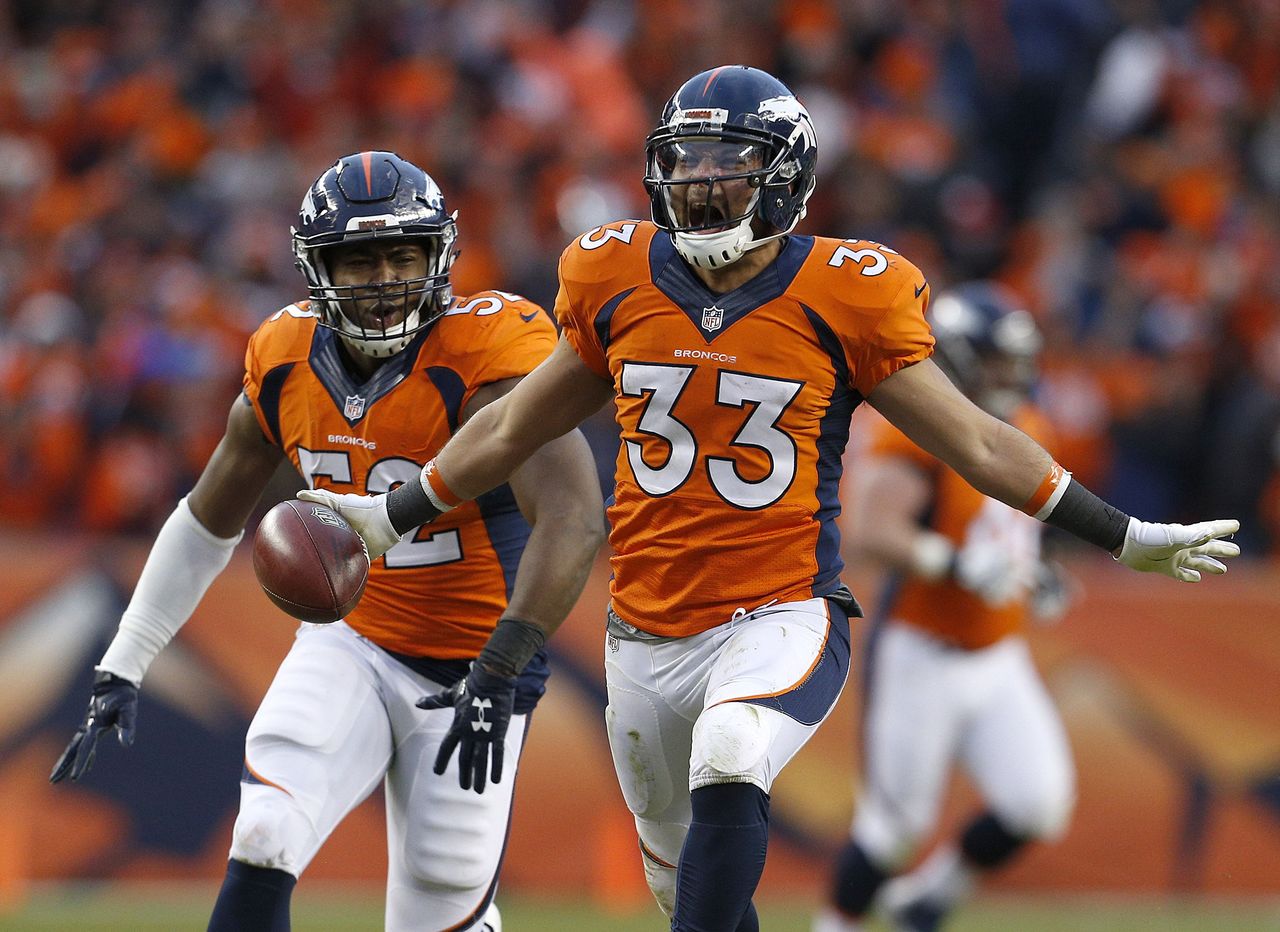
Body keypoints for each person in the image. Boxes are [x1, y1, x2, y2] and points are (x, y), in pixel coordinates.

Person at [300, 67, 1239, 932]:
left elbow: (979, 441)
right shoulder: (615, 274)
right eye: (686, 166)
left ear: (785, 179)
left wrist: (1123, 535)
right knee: (683, 890)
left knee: (734, 748)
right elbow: (513, 430)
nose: (702, 188)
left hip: (780, 610)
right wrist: (396, 515)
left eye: (729, 169)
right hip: (643, 629)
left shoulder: (848, 292)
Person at [50, 151, 605, 932]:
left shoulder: (488, 352)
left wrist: (505, 665)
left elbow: (575, 517)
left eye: (401, 255)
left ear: (438, 257)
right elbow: (210, 516)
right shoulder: (283, 357)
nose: (382, 280)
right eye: (359, 259)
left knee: (440, 911)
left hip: (474, 670)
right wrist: (127, 658)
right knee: (266, 831)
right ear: (319, 270)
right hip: (352, 639)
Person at [813, 283, 1077, 932]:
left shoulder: (1031, 425)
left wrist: (1036, 575)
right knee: (894, 829)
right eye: (994, 361)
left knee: (1037, 802)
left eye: (1015, 360)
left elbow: (1004, 535)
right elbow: (875, 531)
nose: (1011, 375)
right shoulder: (915, 431)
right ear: (957, 359)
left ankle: (925, 901)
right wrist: (954, 564)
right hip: (921, 652)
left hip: (997, 655)